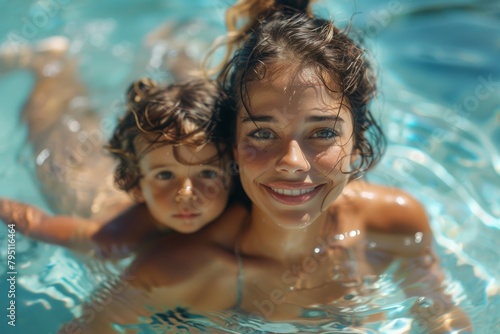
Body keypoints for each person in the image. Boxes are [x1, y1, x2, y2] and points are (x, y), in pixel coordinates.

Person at [60, 1, 472, 333]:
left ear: (358, 144)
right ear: (232, 148)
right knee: (70, 140)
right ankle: (48, 68)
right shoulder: (171, 270)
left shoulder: (398, 225)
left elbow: (443, 318)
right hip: (122, 206)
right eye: (261, 133)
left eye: (324, 133)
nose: (292, 163)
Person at [0, 77, 235, 259]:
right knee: (45, 119)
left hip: (98, 164)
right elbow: (36, 225)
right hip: (67, 174)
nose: (186, 194)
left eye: (208, 173)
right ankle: (47, 64)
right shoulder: (115, 236)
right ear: (137, 184)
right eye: (165, 175)